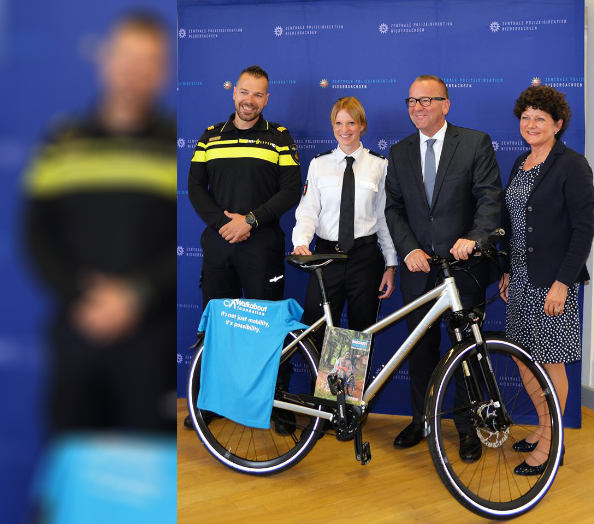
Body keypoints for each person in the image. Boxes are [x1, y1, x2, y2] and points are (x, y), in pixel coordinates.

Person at [24, 12, 175, 434]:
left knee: (148, 475)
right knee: (69, 466)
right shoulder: (61, 143)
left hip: (151, 338)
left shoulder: (175, 146)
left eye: (148, 60)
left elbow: (188, 235)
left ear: (161, 73)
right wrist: (80, 293)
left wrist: (136, 294)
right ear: (105, 59)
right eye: (126, 56)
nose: (133, 70)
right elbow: (35, 235)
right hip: (78, 328)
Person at [385, 75, 503, 462]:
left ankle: (468, 428)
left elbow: (489, 198)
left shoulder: (474, 143)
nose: (418, 107)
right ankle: (420, 420)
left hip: (463, 268)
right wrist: (408, 249)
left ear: (446, 104)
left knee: (465, 350)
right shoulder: (399, 151)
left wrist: (475, 237)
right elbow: (394, 208)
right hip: (418, 269)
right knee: (419, 351)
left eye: (427, 100)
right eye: (412, 101)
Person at [186, 65, 301, 430]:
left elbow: (289, 191)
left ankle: (277, 404)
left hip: (262, 248)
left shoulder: (280, 137)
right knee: (216, 328)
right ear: (233, 92)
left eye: (257, 94)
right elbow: (194, 189)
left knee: (270, 327)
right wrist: (225, 224)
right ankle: (211, 402)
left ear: (266, 99)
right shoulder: (209, 136)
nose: (249, 100)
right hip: (219, 245)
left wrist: (249, 220)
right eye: (244, 92)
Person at [497, 85, 594, 476]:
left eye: (540, 118)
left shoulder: (572, 165)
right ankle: (543, 426)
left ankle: (553, 442)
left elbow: (583, 229)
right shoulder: (520, 162)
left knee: (552, 364)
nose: (531, 124)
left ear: (557, 124)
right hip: (520, 279)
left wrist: (562, 283)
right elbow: (511, 224)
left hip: (553, 283)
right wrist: (505, 270)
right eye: (526, 117)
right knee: (524, 358)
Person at [291, 96, 397, 347]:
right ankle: (318, 387)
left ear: (362, 125)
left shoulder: (379, 165)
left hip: (365, 259)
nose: (344, 130)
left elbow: (384, 218)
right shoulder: (319, 164)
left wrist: (391, 265)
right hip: (325, 259)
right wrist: (301, 242)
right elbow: (308, 211)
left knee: (360, 338)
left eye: (351, 123)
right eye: (338, 123)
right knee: (317, 333)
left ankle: (354, 388)